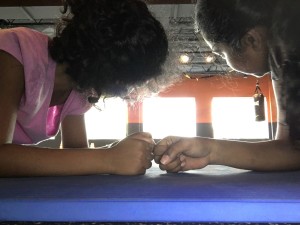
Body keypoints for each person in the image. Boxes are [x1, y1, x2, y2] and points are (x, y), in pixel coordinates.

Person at [0, 0, 172, 177]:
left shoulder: (78, 91)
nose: (131, 88)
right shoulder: (15, 52)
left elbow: (76, 154)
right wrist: (110, 158)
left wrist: (117, 152)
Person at [154, 0, 300, 173]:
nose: (226, 62)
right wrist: (209, 150)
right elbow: (291, 149)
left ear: (251, 40)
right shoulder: (283, 62)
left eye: (221, 53)